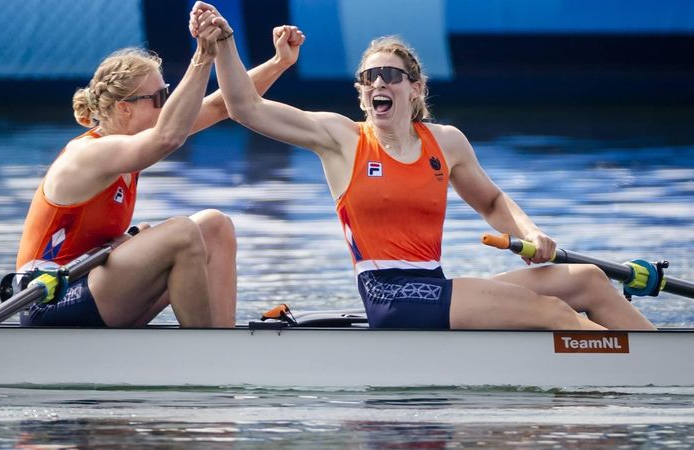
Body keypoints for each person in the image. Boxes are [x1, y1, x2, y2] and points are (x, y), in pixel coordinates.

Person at [191, 2, 656, 330]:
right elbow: (244, 107)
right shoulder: (341, 138)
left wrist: (531, 234)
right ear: (361, 92)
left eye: (390, 75)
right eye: (369, 76)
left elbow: (492, 200)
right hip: (390, 297)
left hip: (432, 285)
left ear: (414, 89)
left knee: (590, 281)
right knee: (554, 314)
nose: (378, 82)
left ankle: (661, 362)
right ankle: (615, 380)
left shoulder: (446, 142)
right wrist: (226, 44)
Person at [16, 16, 303, 328]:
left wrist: (279, 62)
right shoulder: (90, 153)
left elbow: (223, 106)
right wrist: (202, 57)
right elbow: (168, 138)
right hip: (48, 301)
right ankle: (203, 352)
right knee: (181, 232)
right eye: (159, 98)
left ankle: (221, 337)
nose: (168, 105)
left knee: (214, 225)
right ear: (125, 107)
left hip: (93, 286)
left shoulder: (137, 140)